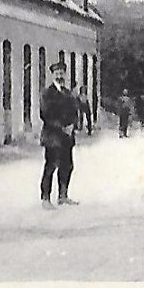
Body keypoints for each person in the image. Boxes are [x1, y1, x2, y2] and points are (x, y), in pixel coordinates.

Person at [39, 61, 79, 209]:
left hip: (67, 137)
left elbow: (75, 112)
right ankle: (45, 198)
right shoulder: (47, 93)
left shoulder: (68, 93)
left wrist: (72, 125)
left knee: (67, 166)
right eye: (57, 73)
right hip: (52, 137)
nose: (59, 76)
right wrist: (62, 127)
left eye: (62, 73)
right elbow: (45, 114)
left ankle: (63, 196)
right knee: (50, 166)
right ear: (53, 75)